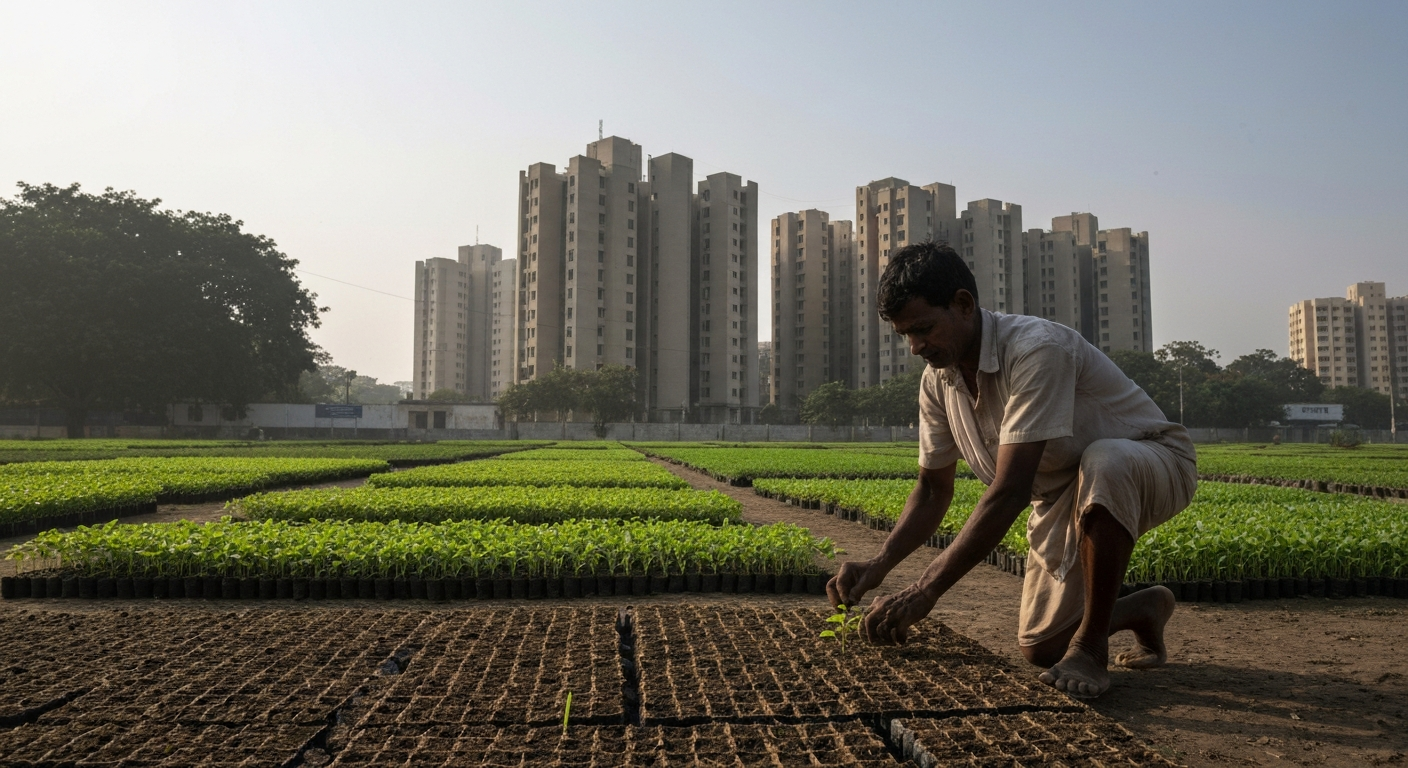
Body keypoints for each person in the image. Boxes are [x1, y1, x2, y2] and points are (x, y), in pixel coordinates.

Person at [826, 241, 1197, 698]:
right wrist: (878, 565)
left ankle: (1092, 647)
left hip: (1153, 461)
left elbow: (1010, 490)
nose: (915, 346)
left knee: (1107, 459)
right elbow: (931, 489)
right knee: (1041, 647)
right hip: (1065, 490)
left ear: (964, 304)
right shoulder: (937, 381)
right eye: (906, 334)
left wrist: (923, 592)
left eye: (923, 329)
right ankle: (1143, 609)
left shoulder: (1037, 349)